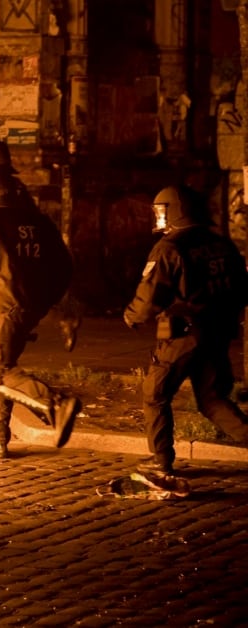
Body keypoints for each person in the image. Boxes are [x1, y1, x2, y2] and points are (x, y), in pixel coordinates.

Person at [0, 167, 79, 459]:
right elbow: (63, 263)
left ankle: (55, 402)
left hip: (1, 305)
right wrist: (49, 299)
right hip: (30, 306)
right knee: (2, 366)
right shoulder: (37, 222)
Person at [122, 184, 248, 475]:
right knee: (213, 398)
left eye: (161, 211)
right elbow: (242, 289)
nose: (158, 218)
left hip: (182, 334)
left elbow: (151, 294)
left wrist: (132, 315)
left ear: (177, 212)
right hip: (217, 332)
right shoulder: (222, 244)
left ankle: (161, 460)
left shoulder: (170, 247)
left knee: (154, 394)